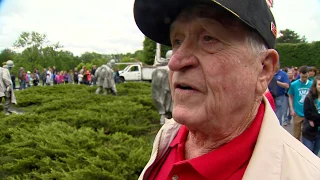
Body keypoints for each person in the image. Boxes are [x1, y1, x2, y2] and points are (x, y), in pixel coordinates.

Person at [133, 0, 320, 179]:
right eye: (177, 41)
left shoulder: (307, 174)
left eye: (208, 39)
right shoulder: (167, 137)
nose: (174, 62)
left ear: (264, 69)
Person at [288, 66, 313, 141]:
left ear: (308, 74)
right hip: (297, 112)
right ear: (299, 74)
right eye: (303, 77)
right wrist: (291, 109)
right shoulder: (294, 84)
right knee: (296, 134)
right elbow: (290, 97)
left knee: (306, 134)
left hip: (308, 112)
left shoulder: (311, 84)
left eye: (306, 77)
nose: (304, 78)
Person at [302, 75, 320, 156]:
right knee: (308, 155)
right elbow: (308, 114)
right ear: (315, 85)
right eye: (319, 84)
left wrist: (315, 119)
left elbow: (313, 116)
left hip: (318, 132)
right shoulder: (309, 98)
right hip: (309, 132)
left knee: (315, 154)